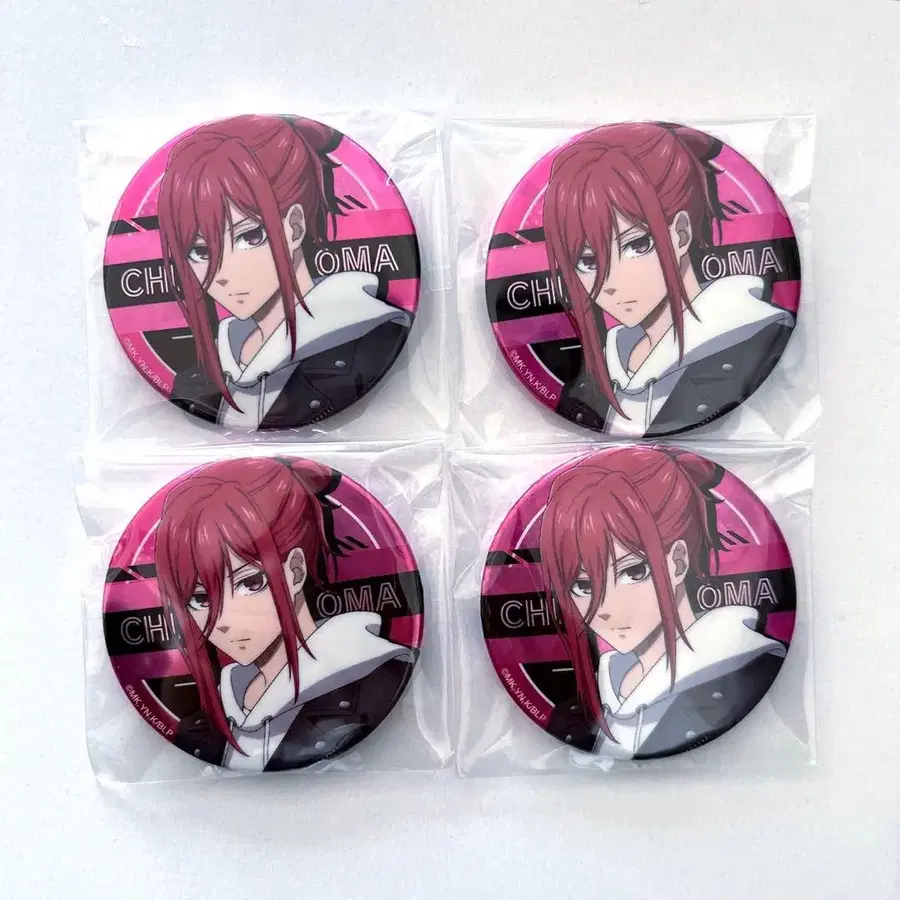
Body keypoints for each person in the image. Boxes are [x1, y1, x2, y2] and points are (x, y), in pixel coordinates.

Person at [155, 457, 412, 772]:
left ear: (296, 571)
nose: (224, 620)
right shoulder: (203, 721)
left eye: (251, 582)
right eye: (199, 598)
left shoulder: (375, 677)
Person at [158, 114, 411, 430]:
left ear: (295, 227)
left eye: (250, 236)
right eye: (200, 251)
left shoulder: (372, 338)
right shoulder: (197, 377)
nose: (222, 272)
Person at [543, 122, 794, 437]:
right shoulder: (595, 375)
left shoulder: (753, 336)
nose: (610, 282)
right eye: (588, 261)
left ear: (681, 234)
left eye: (637, 244)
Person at [540, 447, 786, 759]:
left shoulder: (748, 669)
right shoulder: (592, 698)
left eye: (634, 571)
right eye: (583, 585)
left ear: (678, 562)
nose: (606, 607)